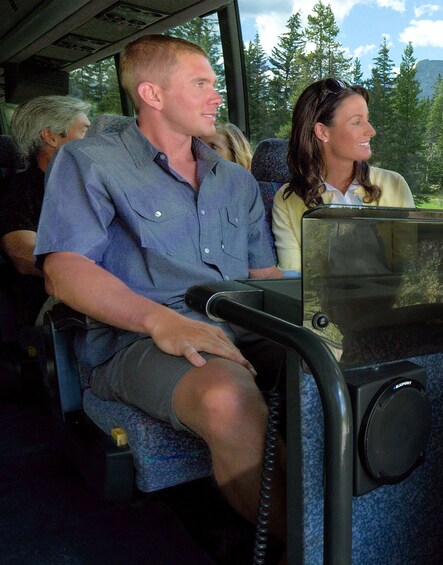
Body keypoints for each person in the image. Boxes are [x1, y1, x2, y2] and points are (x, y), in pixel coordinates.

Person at [34, 35, 286, 540]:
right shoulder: (90, 162)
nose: (217, 97)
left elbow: (264, 278)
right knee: (226, 398)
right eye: (201, 84)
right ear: (152, 94)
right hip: (140, 338)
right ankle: (302, 546)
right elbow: (63, 268)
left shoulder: (235, 181)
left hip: (240, 321)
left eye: (215, 85)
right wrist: (160, 321)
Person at [271, 77, 414, 273]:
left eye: (367, 119)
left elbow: (410, 266)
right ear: (322, 131)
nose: (371, 131)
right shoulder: (287, 200)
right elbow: (293, 277)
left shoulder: (394, 185)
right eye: (357, 122)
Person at [0, 95, 90, 329]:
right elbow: (23, 253)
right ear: (51, 136)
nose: (92, 141)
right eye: (84, 132)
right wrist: (91, 272)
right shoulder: (19, 189)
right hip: (54, 300)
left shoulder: (90, 184)